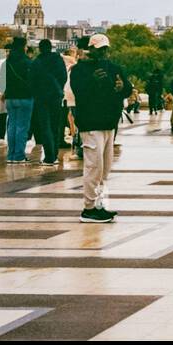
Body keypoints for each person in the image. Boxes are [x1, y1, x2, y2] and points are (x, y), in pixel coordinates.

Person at [70, 33, 131, 223]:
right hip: (91, 123)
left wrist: (122, 88)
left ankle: (99, 205)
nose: (104, 52)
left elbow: (127, 88)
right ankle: (89, 208)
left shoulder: (114, 68)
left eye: (105, 48)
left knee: (104, 168)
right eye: (100, 49)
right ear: (92, 49)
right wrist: (93, 81)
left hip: (108, 123)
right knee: (93, 167)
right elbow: (79, 92)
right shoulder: (79, 70)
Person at [30, 40, 66, 165]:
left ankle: (49, 156)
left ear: (39, 49)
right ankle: (54, 154)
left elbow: (32, 81)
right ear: (51, 48)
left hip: (41, 97)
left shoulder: (36, 62)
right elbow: (63, 76)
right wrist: (59, 88)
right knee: (55, 125)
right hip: (56, 96)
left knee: (45, 126)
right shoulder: (58, 60)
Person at [3, 37, 35, 164]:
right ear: (24, 47)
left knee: (11, 126)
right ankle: (19, 155)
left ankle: (10, 155)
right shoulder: (27, 61)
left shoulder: (8, 61)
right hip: (25, 96)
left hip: (10, 97)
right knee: (22, 127)